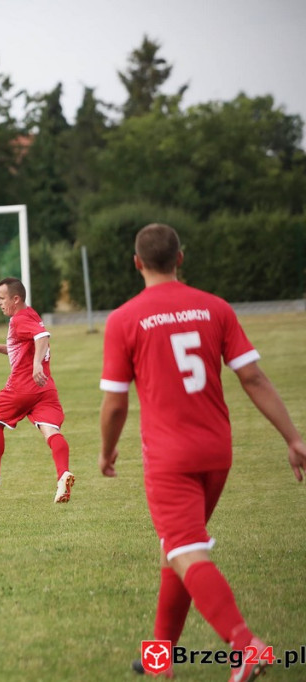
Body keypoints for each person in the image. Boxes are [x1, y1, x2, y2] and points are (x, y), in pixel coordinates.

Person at [98, 223, 306, 681]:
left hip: (170, 458)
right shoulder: (215, 307)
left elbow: (115, 403)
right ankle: (160, 657)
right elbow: (252, 378)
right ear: (181, 258)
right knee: (178, 548)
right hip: (217, 452)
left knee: (186, 550)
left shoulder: (125, 319)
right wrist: (293, 438)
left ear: (137, 263)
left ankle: (244, 644)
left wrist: (106, 452)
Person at [0, 277, 75, 504]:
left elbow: (42, 337)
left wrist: (37, 363)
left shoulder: (19, 319)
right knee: (51, 432)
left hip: (22, 386)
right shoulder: (31, 314)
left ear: (15, 299)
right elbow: (26, 345)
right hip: (45, 387)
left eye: (1, 298)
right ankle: (63, 474)